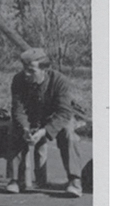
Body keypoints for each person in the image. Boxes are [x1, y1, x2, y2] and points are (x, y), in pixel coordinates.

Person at [5, 48, 84, 197]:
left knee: (68, 134)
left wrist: (45, 131)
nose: (26, 74)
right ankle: (15, 179)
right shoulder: (18, 80)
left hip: (56, 118)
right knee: (14, 129)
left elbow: (64, 112)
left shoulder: (60, 81)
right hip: (32, 118)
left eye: (31, 70)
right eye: (24, 69)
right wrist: (25, 128)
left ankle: (74, 180)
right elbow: (18, 110)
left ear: (44, 70)